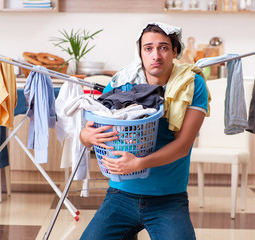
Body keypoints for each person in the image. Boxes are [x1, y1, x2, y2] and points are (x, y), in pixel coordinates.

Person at [79, 22, 211, 240]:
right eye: (148, 48)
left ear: (175, 51)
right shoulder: (123, 83)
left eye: (164, 47)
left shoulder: (192, 83)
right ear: (140, 53)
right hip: (120, 195)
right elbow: (87, 135)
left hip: (168, 198)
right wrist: (87, 136)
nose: (156, 55)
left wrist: (139, 163)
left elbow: (183, 146)